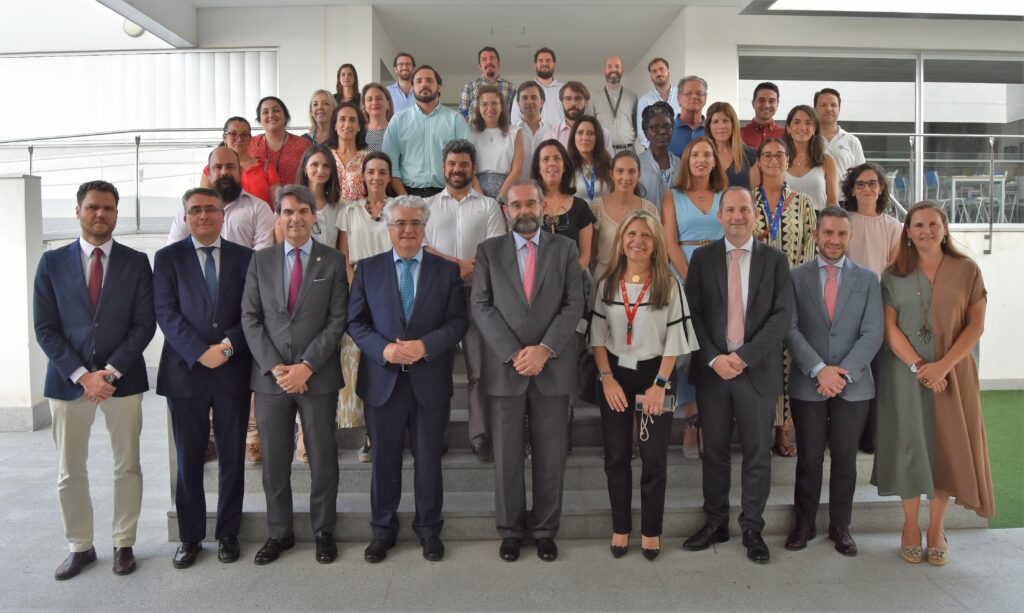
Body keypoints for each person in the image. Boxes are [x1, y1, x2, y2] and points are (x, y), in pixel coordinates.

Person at [34, 180, 156, 579]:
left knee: (128, 466)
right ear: (78, 211)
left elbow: (143, 324)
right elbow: (45, 328)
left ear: (117, 214)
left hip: (123, 380)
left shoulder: (137, 262)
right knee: (71, 470)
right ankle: (80, 546)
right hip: (69, 383)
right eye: (92, 207)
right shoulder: (51, 263)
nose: (100, 214)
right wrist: (83, 375)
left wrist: (110, 372)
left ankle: (124, 542)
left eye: (108, 208)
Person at [347, 196, 469, 563]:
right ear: (388, 227)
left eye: (415, 223)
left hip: (429, 381)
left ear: (424, 227)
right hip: (383, 383)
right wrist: (384, 350)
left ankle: (429, 530)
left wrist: (424, 346)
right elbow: (355, 323)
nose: (407, 230)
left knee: (429, 460)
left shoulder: (445, 272)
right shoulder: (367, 270)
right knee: (384, 461)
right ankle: (382, 531)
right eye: (400, 223)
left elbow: (458, 323)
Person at [872, 200, 994, 566]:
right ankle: (910, 527)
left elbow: (976, 325)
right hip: (906, 375)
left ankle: (937, 529)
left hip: (954, 374)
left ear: (944, 229)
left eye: (932, 224)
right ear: (907, 232)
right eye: (918, 225)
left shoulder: (967, 270)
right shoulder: (892, 274)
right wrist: (921, 367)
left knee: (945, 448)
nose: (925, 231)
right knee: (910, 446)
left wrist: (943, 367)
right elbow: (889, 329)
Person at [470, 179, 585, 563]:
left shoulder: (566, 249)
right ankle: (511, 530)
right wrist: (515, 352)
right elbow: (481, 306)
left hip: (551, 367)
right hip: (506, 368)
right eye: (516, 205)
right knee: (506, 455)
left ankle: (545, 530)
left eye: (531, 204)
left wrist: (545, 350)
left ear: (543, 207)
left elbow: (573, 305)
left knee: (551, 454)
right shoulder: (488, 251)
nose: (524, 211)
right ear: (506, 210)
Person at [682, 186, 791, 565]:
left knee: (758, 453)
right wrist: (715, 359)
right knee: (713, 451)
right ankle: (716, 522)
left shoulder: (775, 261)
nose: (737, 216)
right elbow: (692, 313)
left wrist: (743, 357)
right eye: (730, 210)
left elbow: (782, 317)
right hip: (714, 373)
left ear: (755, 215)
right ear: (720, 215)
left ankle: (752, 527)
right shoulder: (702, 258)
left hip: (755, 371)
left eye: (744, 209)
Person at [241, 184, 347, 566]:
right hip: (270, 380)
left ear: (314, 216)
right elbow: (250, 319)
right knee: (275, 460)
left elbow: (337, 322)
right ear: (278, 217)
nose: (296, 218)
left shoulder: (332, 261)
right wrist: (275, 367)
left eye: (303, 211)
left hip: (316, 378)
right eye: (288, 212)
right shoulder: (260, 261)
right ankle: (279, 533)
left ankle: (323, 531)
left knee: (323, 458)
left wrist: (306, 366)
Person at [154, 187, 254, 569]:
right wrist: (200, 352)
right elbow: (165, 313)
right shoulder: (167, 259)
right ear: (186, 217)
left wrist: (226, 350)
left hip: (232, 372)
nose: (203, 216)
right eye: (195, 210)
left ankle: (228, 533)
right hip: (185, 373)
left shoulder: (245, 258)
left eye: (210, 209)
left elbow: (251, 313)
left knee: (232, 456)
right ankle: (190, 537)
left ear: (222, 215)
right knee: (189, 460)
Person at [591, 210, 696, 560]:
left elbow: (675, 341)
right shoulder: (606, 283)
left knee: (653, 459)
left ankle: (651, 530)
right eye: (631, 234)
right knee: (617, 456)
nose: (637, 241)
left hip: (656, 376)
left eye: (646, 236)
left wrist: (660, 385)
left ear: (655, 245)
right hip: (616, 376)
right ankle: (620, 527)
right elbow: (598, 338)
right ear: (621, 240)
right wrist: (606, 380)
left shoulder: (668, 282)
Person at [783, 207, 884, 556]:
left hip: (853, 386)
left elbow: (873, 333)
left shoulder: (868, 279)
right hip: (808, 382)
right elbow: (790, 329)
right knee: (809, 457)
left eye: (841, 234)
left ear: (850, 237)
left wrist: (842, 374)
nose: (834, 240)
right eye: (828, 233)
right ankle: (804, 523)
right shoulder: (796, 277)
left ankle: (841, 526)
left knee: (844, 458)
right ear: (816, 235)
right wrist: (818, 369)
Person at [424, 140, 506, 462]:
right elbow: (422, 248)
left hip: (477, 296)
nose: (457, 169)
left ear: (473, 168)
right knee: (435, 371)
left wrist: (469, 266)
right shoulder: (426, 206)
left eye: (463, 164)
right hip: (437, 299)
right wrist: (457, 264)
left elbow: (495, 250)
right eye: (452, 164)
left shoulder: (488, 206)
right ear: (443, 167)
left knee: (478, 370)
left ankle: (479, 435)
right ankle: (435, 433)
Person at [661, 136, 727, 459]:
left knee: (715, 346)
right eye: (695, 154)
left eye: (707, 155)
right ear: (686, 161)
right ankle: (690, 421)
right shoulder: (672, 197)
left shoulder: (727, 196)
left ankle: (712, 418)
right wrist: (691, 280)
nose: (701, 159)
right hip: (683, 275)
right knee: (685, 349)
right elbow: (671, 243)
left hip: (723, 277)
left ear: (715, 161)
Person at [752, 137, 817, 457]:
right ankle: (762, 426)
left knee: (790, 362)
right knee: (764, 362)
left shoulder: (802, 202)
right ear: (759, 162)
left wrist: (796, 289)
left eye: (780, 155)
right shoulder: (748, 201)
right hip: (757, 297)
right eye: (767, 155)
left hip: (792, 294)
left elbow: (809, 247)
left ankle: (784, 429)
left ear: (788, 161)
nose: (774, 160)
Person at [336, 152, 395, 463]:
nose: (376, 177)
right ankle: (368, 433)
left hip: (391, 291)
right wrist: (355, 290)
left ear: (389, 176)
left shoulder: (399, 209)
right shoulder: (349, 211)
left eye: (382, 172)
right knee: (361, 365)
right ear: (362, 176)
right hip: (358, 289)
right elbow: (344, 256)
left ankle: (382, 434)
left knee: (383, 362)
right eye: (370, 171)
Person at [840, 162, 903, 455]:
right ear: (852, 189)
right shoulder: (843, 221)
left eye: (873, 183)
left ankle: (871, 438)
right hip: (843, 311)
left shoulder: (893, 227)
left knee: (876, 375)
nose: (867, 188)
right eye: (861, 183)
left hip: (878, 312)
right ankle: (840, 434)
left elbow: (893, 270)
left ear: (882, 188)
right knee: (846, 372)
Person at [383, 65, 471, 198]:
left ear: (439, 87)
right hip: (407, 193)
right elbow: (391, 165)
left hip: (446, 195)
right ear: (412, 87)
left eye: (429, 80)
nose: (424, 84)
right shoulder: (398, 121)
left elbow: (465, 161)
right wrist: (404, 198)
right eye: (419, 81)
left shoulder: (455, 120)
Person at [172, 146, 276, 250]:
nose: (224, 172)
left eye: (230, 167)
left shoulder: (259, 208)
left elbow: (263, 253)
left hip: (246, 266)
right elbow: (174, 250)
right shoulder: (189, 209)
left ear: (240, 171)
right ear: (208, 173)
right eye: (218, 167)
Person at [590, 150, 658, 284]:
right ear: (611, 174)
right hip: (604, 280)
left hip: (640, 282)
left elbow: (656, 250)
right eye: (620, 171)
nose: (626, 177)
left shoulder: (650, 209)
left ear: (639, 175)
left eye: (631, 171)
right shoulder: (596, 208)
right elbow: (592, 253)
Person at [532, 139, 595, 271]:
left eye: (557, 158)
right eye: (545, 159)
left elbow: (585, 256)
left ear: (565, 166)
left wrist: (565, 281)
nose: (552, 164)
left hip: (573, 283)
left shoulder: (580, 207)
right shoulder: (528, 206)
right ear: (538, 168)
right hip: (537, 284)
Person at [199, 116, 280, 206]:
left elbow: (277, 205)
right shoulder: (210, 169)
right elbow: (203, 202)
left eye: (244, 135)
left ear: (250, 138)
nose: (239, 139)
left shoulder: (266, 167)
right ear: (225, 137)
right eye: (233, 134)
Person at [778, 105, 839, 211]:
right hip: (783, 225)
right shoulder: (778, 160)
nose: (802, 127)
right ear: (788, 128)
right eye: (797, 122)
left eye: (808, 123)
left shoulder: (827, 161)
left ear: (814, 129)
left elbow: (832, 202)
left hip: (818, 225)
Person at [468, 86, 523, 200]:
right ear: (479, 107)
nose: (490, 108)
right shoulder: (470, 133)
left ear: (501, 106)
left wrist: (501, 197)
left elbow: (517, 169)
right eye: (484, 104)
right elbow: (468, 168)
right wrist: (481, 197)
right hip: (476, 192)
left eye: (494, 103)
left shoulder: (515, 132)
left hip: (507, 193)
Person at [248, 96, 312, 193]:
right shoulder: (250, 144)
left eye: (276, 110)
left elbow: (312, 179)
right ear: (259, 119)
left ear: (286, 116)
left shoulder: (303, 145)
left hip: (296, 204)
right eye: (265, 112)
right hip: (257, 205)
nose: (271, 115)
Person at [539, 81, 614, 159]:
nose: (573, 103)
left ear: (586, 102)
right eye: (568, 99)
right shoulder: (551, 136)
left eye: (578, 98)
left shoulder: (603, 133)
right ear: (561, 102)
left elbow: (609, 165)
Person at [587, 55, 638, 152]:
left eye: (617, 66)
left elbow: (637, 125)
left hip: (628, 150)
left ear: (622, 71)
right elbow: (590, 125)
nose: (613, 69)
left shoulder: (632, 96)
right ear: (604, 71)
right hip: (603, 151)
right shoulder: (593, 97)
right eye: (609, 66)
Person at [815, 88, 865, 182]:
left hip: (843, 197)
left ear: (839, 109)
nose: (829, 109)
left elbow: (861, 177)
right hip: (812, 197)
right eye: (823, 105)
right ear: (815, 109)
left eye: (833, 105)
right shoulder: (807, 140)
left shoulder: (852, 141)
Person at [637, 102, 679, 209]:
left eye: (667, 126)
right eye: (655, 127)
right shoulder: (637, 164)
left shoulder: (680, 164)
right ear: (646, 133)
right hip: (646, 222)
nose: (662, 131)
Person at [510, 47, 564, 130]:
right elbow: (515, 120)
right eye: (541, 61)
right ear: (535, 65)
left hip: (559, 140)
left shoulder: (565, 89)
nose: (544, 63)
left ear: (554, 64)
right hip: (532, 140)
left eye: (548, 60)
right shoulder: (524, 90)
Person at [705, 101, 757, 188]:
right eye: (715, 122)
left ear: (733, 124)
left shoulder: (751, 155)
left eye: (725, 121)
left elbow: (756, 195)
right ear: (709, 126)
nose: (721, 126)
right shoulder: (701, 155)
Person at [458, 46, 516, 119]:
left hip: (503, 130)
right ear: (479, 66)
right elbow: (462, 117)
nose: (489, 62)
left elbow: (515, 116)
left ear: (498, 63)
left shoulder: (511, 88)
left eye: (492, 58)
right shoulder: (469, 88)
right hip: (475, 130)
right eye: (484, 59)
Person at [327, 102, 369, 202]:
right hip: (330, 215)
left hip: (359, 215)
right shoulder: (325, 157)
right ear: (334, 125)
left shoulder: (368, 159)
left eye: (352, 120)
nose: (347, 124)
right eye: (342, 119)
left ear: (359, 126)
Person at [636, 58, 681, 150]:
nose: (658, 73)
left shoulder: (682, 94)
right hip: (655, 152)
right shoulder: (644, 100)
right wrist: (654, 149)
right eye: (654, 71)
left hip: (681, 150)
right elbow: (641, 131)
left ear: (668, 71)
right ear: (651, 75)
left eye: (661, 69)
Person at [568, 116, 612, 202]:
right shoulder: (567, 166)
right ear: (573, 137)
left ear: (597, 138)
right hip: (579, 215)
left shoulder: (608, 164)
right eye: (580, 133)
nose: (585, 138)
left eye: (590, 133)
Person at [514, 81, 549, 181]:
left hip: (544, 193)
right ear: (518, 104)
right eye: (524, 98)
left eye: (534, 97)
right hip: (518, 193)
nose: (529, 101)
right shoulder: (511, 133)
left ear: (541, 103)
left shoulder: (552, 132)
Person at [668, 76, 707, 157]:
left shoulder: (713, 129)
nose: (694, 97)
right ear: (679, 99)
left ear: (705, 98)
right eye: (688, 93)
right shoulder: (667, 130)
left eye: (699, 93)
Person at [740, 82, 785, 149]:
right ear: (753, 104)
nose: (766, 105)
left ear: (777, 105)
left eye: (771, 101)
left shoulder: (786, 135)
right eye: (761, 100)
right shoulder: (739, 134)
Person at [361, 82, 394, 152]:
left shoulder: (396, 130)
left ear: (388, 103)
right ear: (364, 105)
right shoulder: (358, 131)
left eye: (379, 98)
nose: (374, 102)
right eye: (369, 99)